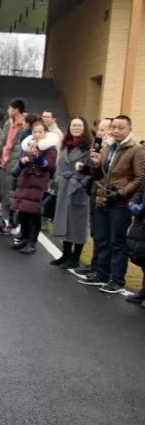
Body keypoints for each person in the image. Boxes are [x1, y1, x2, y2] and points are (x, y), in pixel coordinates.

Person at [78, 115, 145, 294]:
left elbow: (139, 178)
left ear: (129, 129)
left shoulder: (136, 150)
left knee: (117, 242)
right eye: (113, 127)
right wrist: (96, 164)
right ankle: (102, 273)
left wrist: (120, 194)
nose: (115, 130)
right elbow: (97, 175)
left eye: (120, 127)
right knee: (102, 239)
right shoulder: (107, 147)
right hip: (102, 198)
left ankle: (117, 280)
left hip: (120, 203)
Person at [48, 117, 93, 269]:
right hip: (64, 187)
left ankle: (75, 258)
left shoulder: (89, 147)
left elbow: (92, 169)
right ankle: (65, 255)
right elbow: (61, 165)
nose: (76, 128)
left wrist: (81, 183)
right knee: (64, 222)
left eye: (79, 125)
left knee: (78, 225)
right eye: (73, 125)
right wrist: (57, 181)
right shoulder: (66, 145)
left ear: (84, 127)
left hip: (78, 189)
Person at [70, 118, 112, 279]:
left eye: (104, 130)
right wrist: (86, 168)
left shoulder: (110, 149)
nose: (100, 133)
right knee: (96, 233)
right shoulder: (98, 147)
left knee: (103, 235)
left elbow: (107, 171)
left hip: (106, 194)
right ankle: (95, 265)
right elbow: (96, 171)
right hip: (94, 191)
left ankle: (102, 269)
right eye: (99, 130)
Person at [9, 120, 58, 254]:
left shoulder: (51, 148)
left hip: (38, 184)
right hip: (25, 182)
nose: (37, 134)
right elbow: (23, 162)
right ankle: (24, 238)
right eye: (35, 132)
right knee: (23, 211)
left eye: (40, 132)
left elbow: (49, 165)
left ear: (45, 133)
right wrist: (23, 161)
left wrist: (36, 157)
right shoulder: (29, 145)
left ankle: (32, 242)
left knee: (34, 214)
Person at [0, 99, 28, 235]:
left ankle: (14, 223)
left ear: (16, 109)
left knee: (14, 196)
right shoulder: (8, 123)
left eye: (10, 107)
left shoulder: (25, 125)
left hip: (16, 166)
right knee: (4, 195)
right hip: (3, 164)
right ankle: (6, 223)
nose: (8, 110)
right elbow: (2, 143)